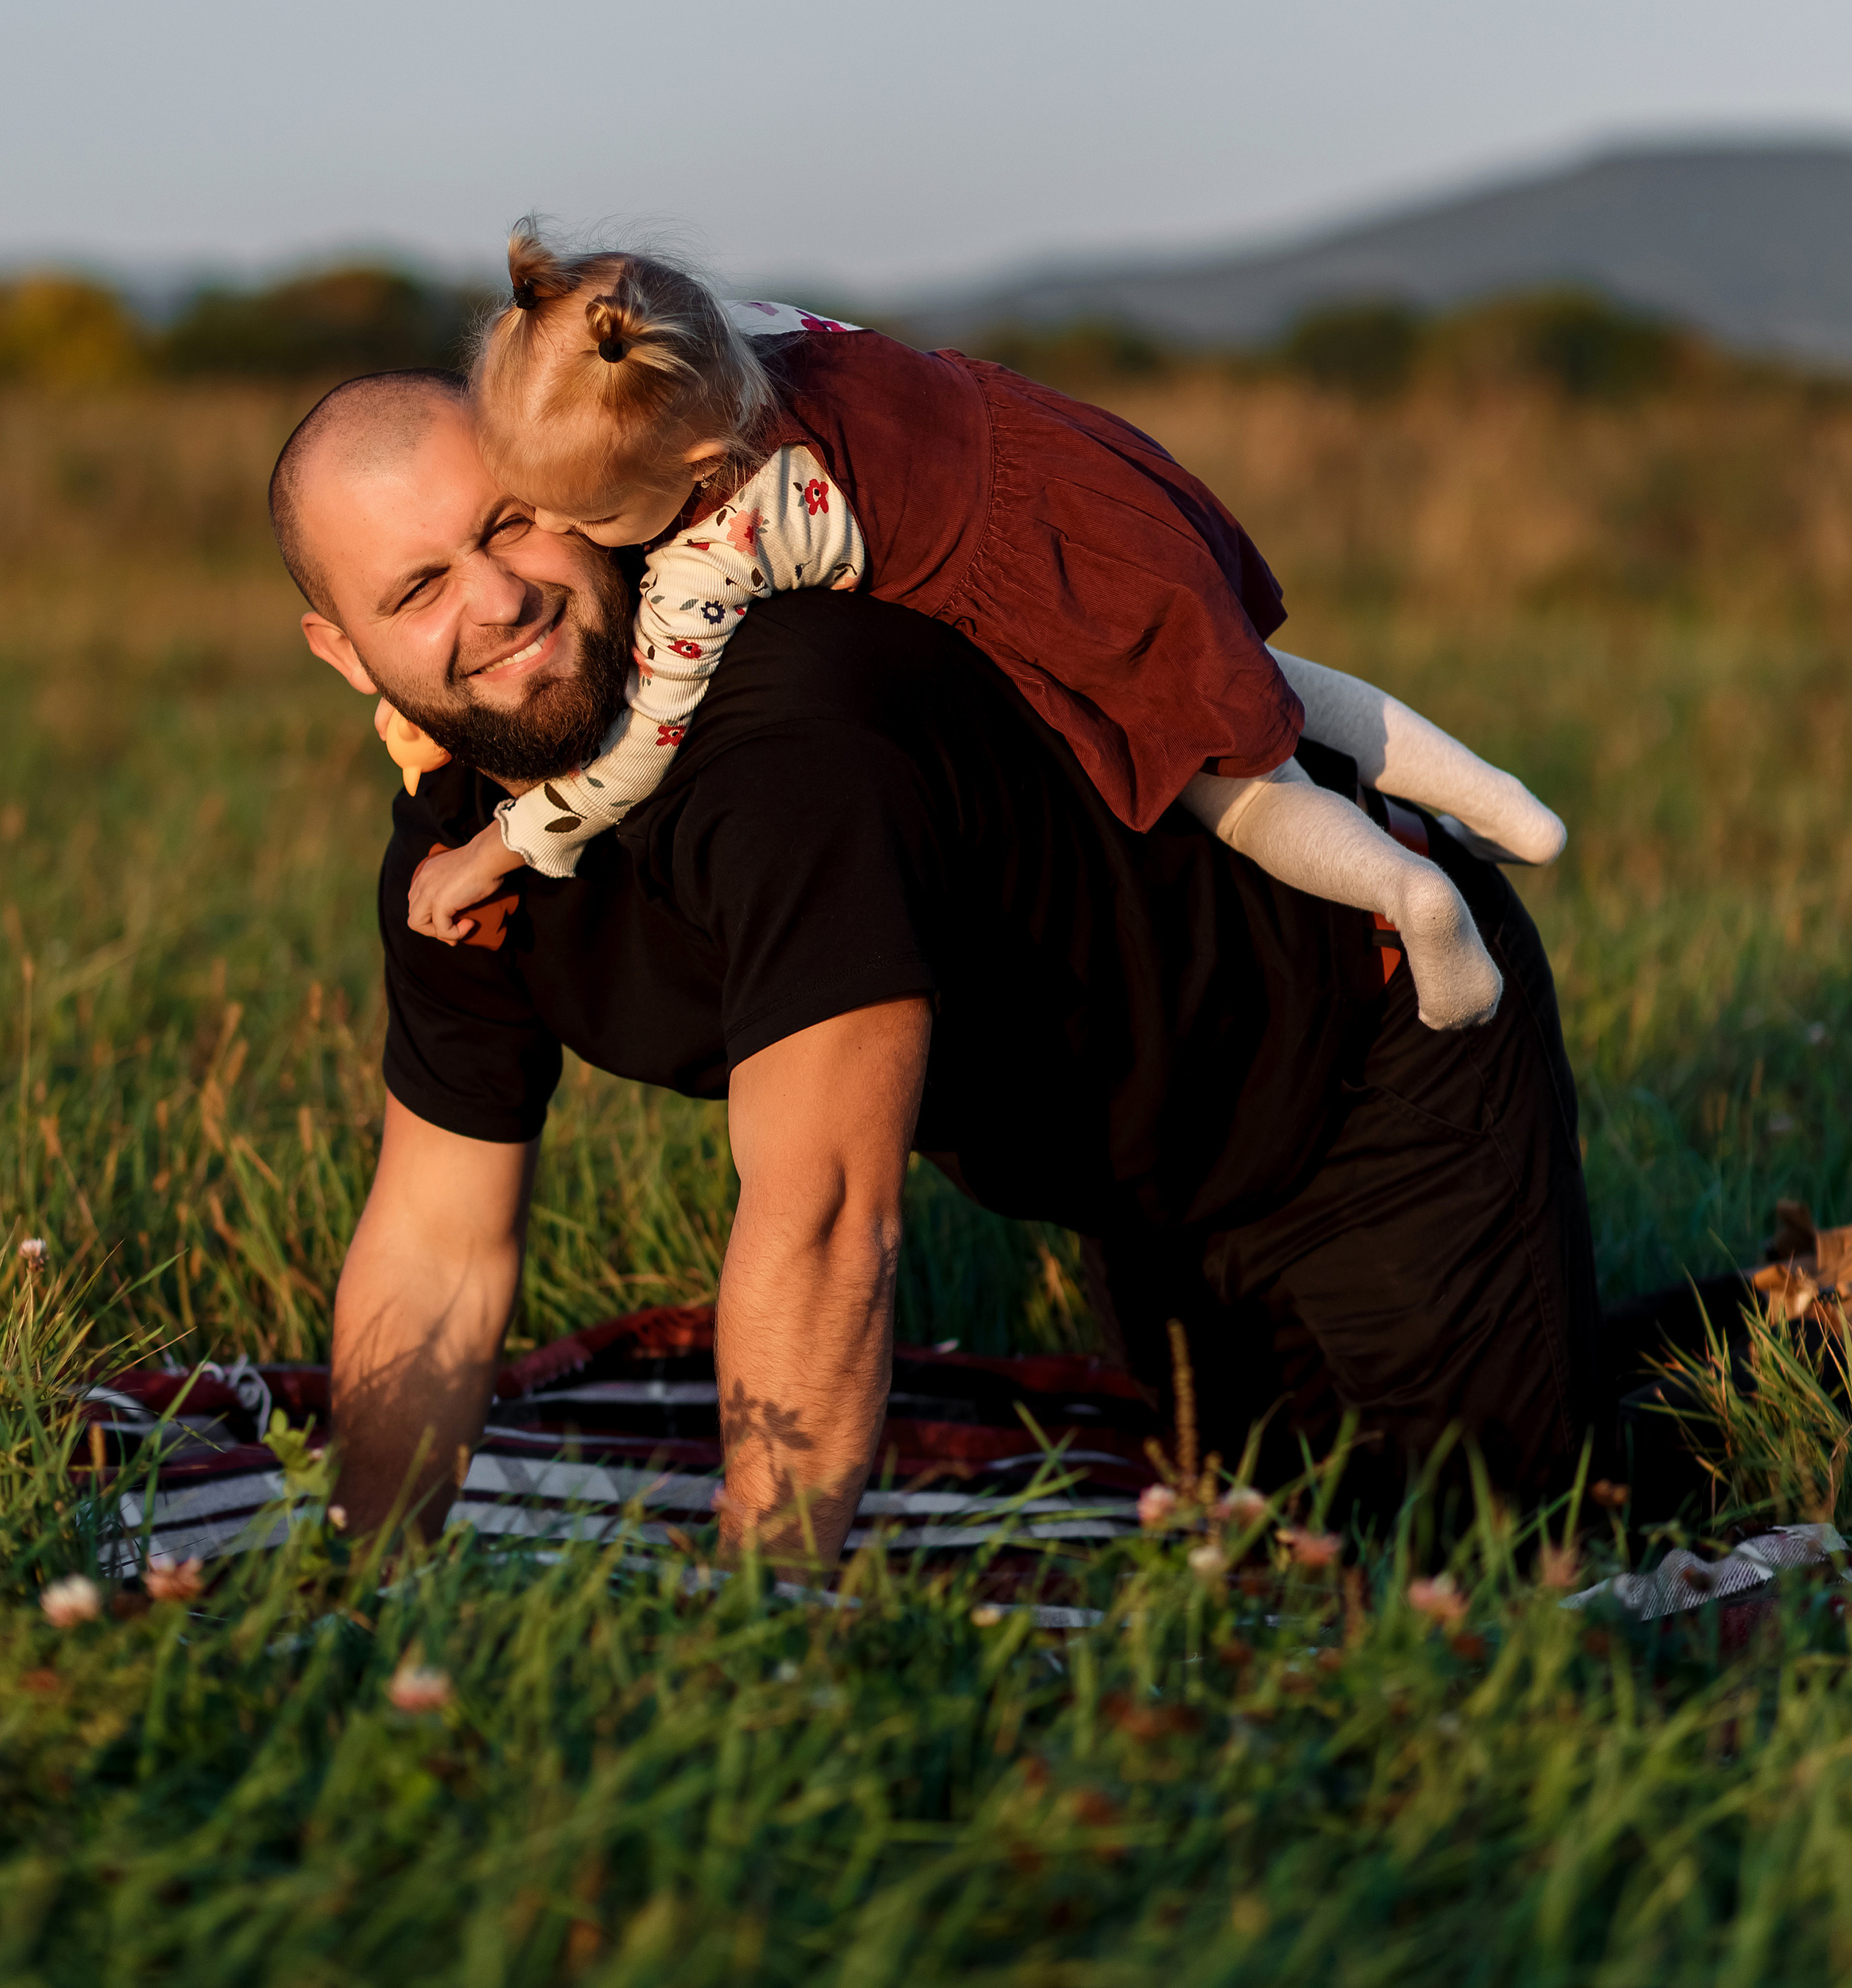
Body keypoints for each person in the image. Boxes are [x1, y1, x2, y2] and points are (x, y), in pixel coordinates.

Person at [269, 368, 1602, 1558]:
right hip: (1131, 1176)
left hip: (1367, 1054)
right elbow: (439, 1240)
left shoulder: (787, 747)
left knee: (1487, 1547)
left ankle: (1775, 1330)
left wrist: (759, 1628)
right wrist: (364, 1573)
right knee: (1259, 1526)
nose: (498, 599)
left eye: (507, 522)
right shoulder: (457, 860)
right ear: (344, 648)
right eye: (417, 585)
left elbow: (830, 1214)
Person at [400, 230, 1566, 1037]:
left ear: (699, 472)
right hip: (1073, 465)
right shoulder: (735, 337)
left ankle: (1410, 899)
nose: (558, 531)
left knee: (1224, 776)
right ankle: (1511, 807)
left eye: (588, 516)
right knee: (1247, 675)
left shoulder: (724, 545)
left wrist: (503, 844)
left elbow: (646, 741)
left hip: (1042, 580)